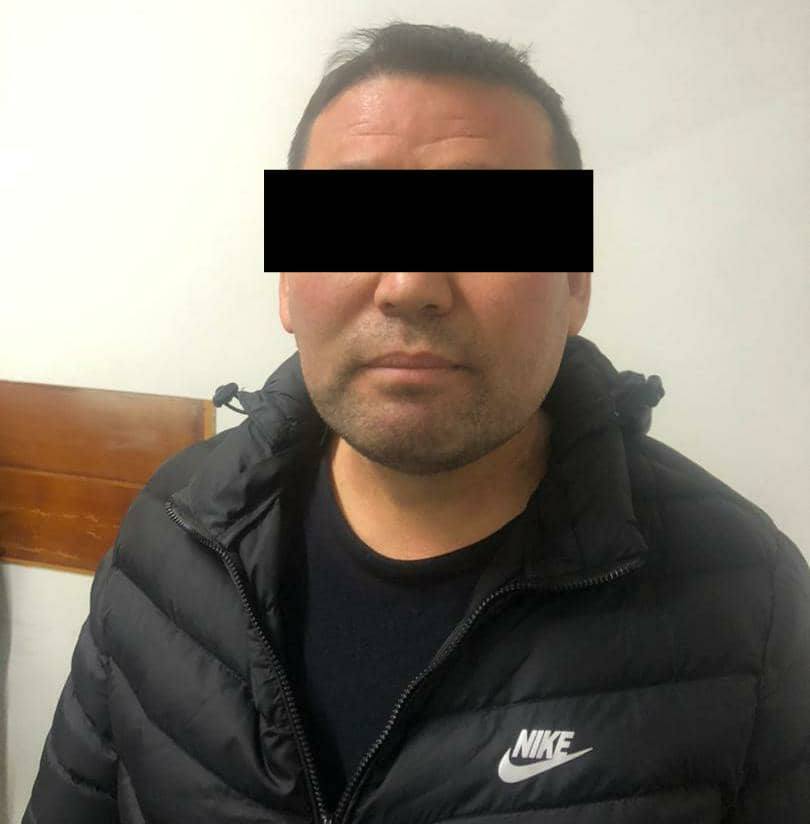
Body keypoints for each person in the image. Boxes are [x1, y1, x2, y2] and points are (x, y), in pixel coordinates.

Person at [24, 22, 809, 824]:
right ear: (287, 281)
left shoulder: (752, 605)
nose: (409, 284)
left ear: (574, 281)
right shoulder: (170, 532)